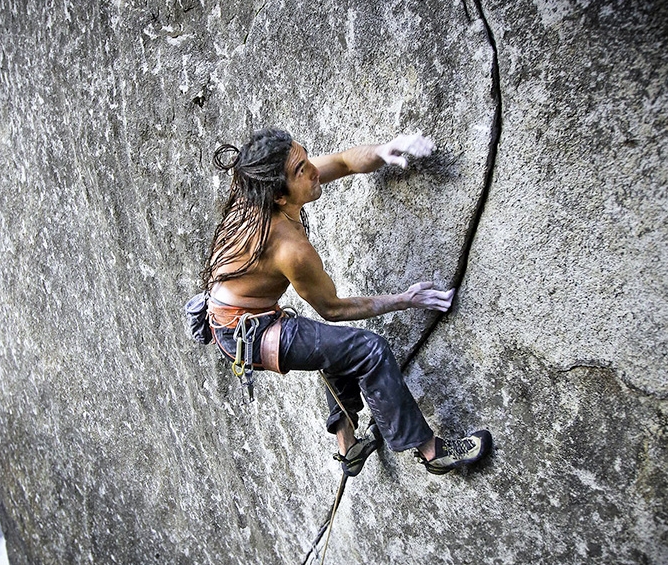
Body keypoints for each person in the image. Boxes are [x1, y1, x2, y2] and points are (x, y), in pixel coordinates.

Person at [202, 127, 492, 476]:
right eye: (301, 170)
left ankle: (348, 447)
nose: (313, 169)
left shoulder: (265, 188)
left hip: (237, 315)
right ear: (279, 196)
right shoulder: (290, 249)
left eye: (306, 157)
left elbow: (342, 162)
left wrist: (385, 150)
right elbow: (333, 309)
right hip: (247, 332)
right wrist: (404, 299)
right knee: (368, 351)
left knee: (332, 350)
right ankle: (433, 453)